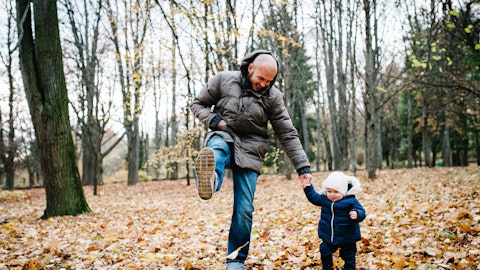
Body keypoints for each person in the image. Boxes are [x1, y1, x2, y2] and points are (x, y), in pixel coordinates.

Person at [190, 50, 312, 269]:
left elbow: (287, 132)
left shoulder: (273, 96)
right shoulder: (224, 80)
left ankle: (236, 259)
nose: (264, 84)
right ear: (250, 69)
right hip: (225, 133)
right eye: (261, 79)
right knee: (216, 150)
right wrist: (215, 120)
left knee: (244, 209)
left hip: (252, 149)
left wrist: (302, 167)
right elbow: (197, 104)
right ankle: (209, 181)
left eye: (269, 81)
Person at [303, 171, 366, 270]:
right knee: (324, 250)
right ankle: (327, 266)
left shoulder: (350, 201)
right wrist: (308, 188)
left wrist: (357, 214)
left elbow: (361, 211)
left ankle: (349, 268)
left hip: (347, 236)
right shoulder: (325, 199)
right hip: (329, 236)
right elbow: (314, 198)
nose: (332, 195)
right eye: (329, 191)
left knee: (348, 254)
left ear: (343, 191)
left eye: (336, 192)